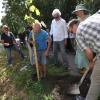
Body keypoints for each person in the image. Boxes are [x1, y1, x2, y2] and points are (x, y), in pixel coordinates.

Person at [76, 10, 100, 100]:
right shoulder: (95, 18)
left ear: (74, 26)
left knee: (96, 79)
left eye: (70, 30)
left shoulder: (80, 30)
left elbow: (89, 52)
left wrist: (91, 62)